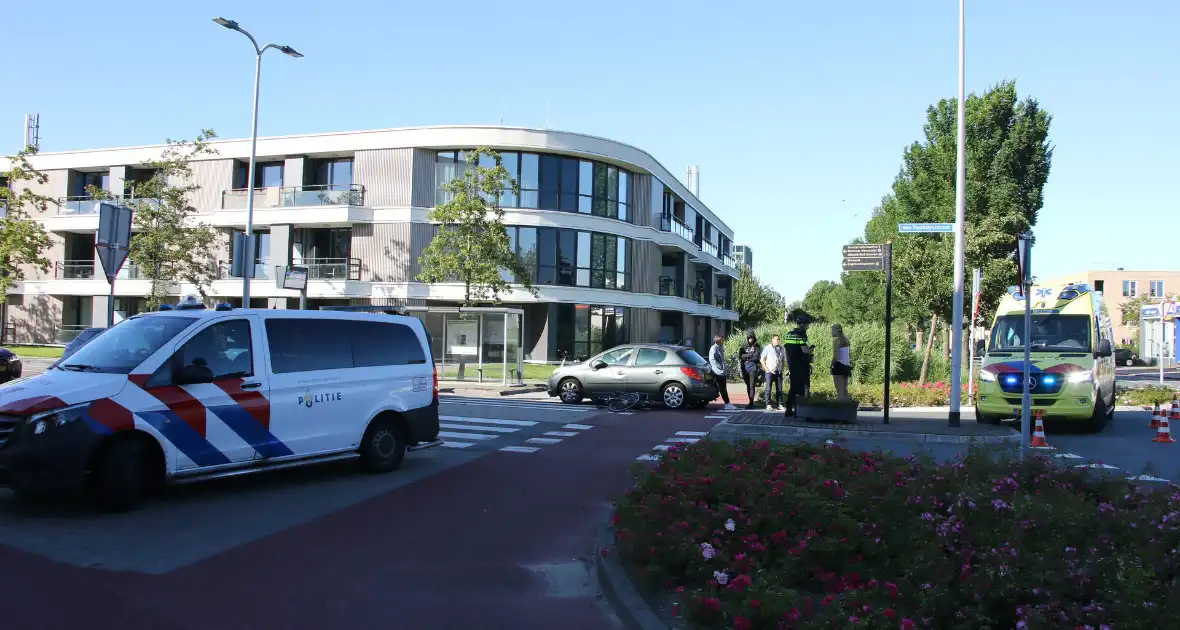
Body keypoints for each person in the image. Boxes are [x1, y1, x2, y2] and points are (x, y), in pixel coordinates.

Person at [783, 309, 815, 416]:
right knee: (803, 388)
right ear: (802, 324)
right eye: (807, 325)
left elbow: (789, 349)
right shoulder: (801, 335)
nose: (807, 327)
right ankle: (800, 410)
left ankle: (789, 410)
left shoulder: (789, 334)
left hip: (792, 364)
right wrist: (811, 350)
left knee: (793, 388)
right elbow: (805, 350)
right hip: (801, 365)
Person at [708, 335, 736, 410]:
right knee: (722, 388)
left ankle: (727, 403)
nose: (723, 341)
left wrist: (724, 368)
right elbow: (712, 360)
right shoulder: (713, 348)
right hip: (718, 372)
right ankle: (727, 403)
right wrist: (720, 367)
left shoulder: (720, 348)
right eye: (722, 340)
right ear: (718, 341)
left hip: (721, 371)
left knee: (723, 387)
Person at [760, 334, 785, 410]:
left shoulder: (781, 348)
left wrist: (782, 368)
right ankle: (768, 404)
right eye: (777, 339)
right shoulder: (767, 348)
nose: (778, 341)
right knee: (768, 388)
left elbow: (783, 359)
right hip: (770, 371)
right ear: (773, 340)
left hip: (779, 371)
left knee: (779, 389)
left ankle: (780, 404)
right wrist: (766, 369)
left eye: (779, 339)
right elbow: (762, 360)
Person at [739, 331, 761, 409]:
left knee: (752, 386)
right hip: (745, 368)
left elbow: (756, 357)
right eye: (749, 338)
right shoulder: (744, 346)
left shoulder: (756, 346)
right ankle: (750, 400)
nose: (750, 339)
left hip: (753, 368)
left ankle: (751, 402)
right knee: (748, 385)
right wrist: (750, 355)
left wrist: (747, 357)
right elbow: (741, 356)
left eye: (752, 338)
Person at [830, 324, 852, 401]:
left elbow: (836, 356)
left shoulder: (837, 340)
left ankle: (841, 410)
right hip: (846, 366)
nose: (831, 332)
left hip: (839, 365)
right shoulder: (846, 340)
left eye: (832, 330)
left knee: (839, 391)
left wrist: (831, 365)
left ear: (835, 331)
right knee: (845, 390)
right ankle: (847, 409)